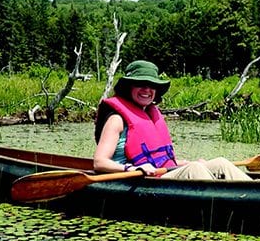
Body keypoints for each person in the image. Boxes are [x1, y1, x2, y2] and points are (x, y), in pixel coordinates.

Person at [93, 60, 251, 181]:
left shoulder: (150, 114)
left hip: (159, 173)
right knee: (194, 169)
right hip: (133, 178)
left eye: (152, 85)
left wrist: (184, 163)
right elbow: (99, 163)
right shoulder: (116, 119)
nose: (147, 90)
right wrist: (132, 168)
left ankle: (256, 192)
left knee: (220, 163)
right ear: (129, 87)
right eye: (140, 84)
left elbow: (158, 160)